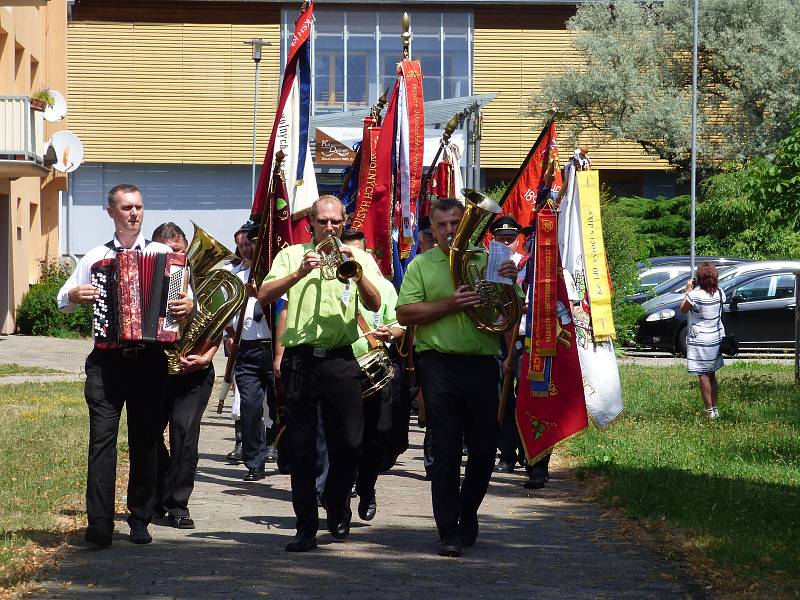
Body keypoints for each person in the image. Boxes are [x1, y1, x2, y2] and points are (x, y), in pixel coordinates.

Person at [56, 184, 193, 547]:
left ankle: (140, 518)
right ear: (111, 212)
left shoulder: (166, 255)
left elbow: (184, 300)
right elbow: (62, 298)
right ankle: (100, 524)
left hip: (149, 361)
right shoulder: (96, 257)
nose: (134, 213)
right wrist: (74, 294)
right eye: (127, 207)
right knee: (102, 442)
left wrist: (186, 306)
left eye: (139, 207)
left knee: (146, 441)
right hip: (107, 363)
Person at [258, 195, 382, 552]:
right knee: (301, 446)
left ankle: (336, 497)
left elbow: (374, 303)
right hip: (301, 359)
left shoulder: (358, 257)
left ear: (344, 223)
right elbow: (264, 295)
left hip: (341, 358)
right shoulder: (291, 255)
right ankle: (305, 528)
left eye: (336, 222)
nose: (329, 228)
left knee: (351, 443)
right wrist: (299, 274)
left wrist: (356, 273)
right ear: (310, 223)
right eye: (323, 222)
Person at [396, 197, 519, 557]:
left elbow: (509, 314)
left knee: (483, 449)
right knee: (446, 449)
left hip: (482, 363)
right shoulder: (421, 264)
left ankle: (468, 510)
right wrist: (450, 304)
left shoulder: (488, 260)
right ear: (432, 230)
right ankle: (448, 528)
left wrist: (510, 285)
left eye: (455, 223)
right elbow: (404, 313)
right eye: (442, 225)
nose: (450, 230)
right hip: (439, 364)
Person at [151, 222, 217, 529]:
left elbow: (221, 323)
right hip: (155, 368)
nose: (173, 259)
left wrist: (205, 356)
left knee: (184, 434)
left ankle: (178, 504)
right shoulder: (145, 275)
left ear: (186, 249)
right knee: (149, 435)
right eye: (165, 253)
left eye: (177, 251)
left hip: (194, 369)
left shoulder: (205, 280)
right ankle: (156, 496)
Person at [339, 228, 404, 522]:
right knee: (346, 438)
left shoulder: (385, 287)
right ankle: (339, 495)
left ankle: (367, 486)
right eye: (346, 253)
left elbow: (400, 325)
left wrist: (388, 331)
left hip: (378, 365)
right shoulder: (333, 285)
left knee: (379, 434)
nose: (351, 258)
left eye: (357, 254)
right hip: (343, 365)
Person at [226, 223, 276, 481]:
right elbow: (226, 310)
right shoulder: (234, 275)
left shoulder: (274, 274)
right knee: (250, 407)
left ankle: (279, 448)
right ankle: (254, 462)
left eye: (251, 244)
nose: (247, 249)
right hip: (247, 349)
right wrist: (227, 332)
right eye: (243, 245)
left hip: (274, 347)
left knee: (280, 405)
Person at [680, 262, 725, 418]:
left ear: (699, 278)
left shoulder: (695, 295)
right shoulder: (720, 292)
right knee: (711, 373)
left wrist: (688, 290)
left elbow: (683, 309)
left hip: (700, 339)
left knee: (703, 374)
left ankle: (709, 410)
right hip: (716, 336)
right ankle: (715, 408)